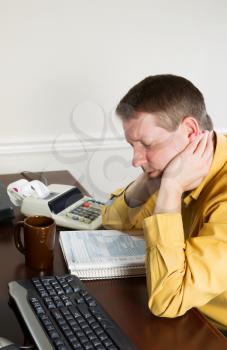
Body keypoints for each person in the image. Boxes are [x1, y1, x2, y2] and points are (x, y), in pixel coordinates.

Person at [102, 74, 227, 334]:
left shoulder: (183, 180)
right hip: (191, 314)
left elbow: (168, 300)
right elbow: (113, 223)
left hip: (215, 331)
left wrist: (171, 188)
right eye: (132, 145)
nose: (135, 160)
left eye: (147, 144)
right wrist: (148, 183)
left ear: (190, 131)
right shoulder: (179, 166)